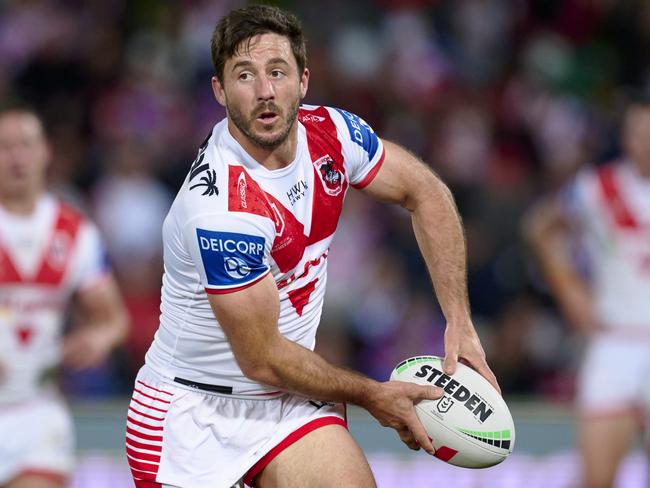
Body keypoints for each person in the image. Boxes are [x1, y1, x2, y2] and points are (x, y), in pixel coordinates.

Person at [125, 5, 499, 488]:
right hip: (192, 419)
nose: (265, 91)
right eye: (244, 75)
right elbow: (262, 358)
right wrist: (371, 394)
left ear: (303, 80)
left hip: (288, 402)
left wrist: (459, 322)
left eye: (277, 72)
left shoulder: (333, 134)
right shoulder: (220, 209)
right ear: (219, 90)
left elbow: (424, 191)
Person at [524, 96, 650, 488]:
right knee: (595, 479)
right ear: (626, 138)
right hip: (615, 341)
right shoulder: (598, 187)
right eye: (637, 132)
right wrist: (568, 290)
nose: (644, 141)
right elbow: (540, 226)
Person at [0, 106, 129, 488]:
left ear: (46, 152)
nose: (17, 157)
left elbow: (114, 319)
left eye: (26, 144)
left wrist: (98, 338)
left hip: (36, 410)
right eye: (5, 147)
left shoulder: (74, 233)